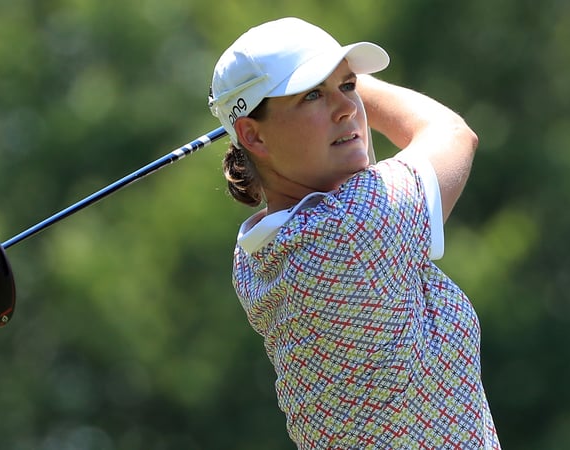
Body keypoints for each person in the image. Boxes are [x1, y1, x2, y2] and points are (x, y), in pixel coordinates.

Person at [208, 17, 500, 449]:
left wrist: (324, 87)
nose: (347, 107)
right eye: (311, 95)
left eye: (348, 87)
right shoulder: (349, 231)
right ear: (254, 136)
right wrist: (353, 83)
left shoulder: (256, 252)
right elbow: (452, 134)